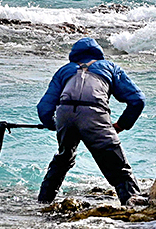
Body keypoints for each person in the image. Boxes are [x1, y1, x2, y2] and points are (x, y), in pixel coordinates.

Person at [36, 37, 145, 206]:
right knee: (117, 167)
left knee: (64, 158)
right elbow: (137, 100)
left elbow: (43, 108)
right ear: (98, 54)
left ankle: (43, 202)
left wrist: (56, 125)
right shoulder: (109, 67)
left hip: (65, 113)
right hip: (95, 113)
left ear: (74, 55)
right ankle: (133, 205)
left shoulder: (64, 70)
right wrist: (122, 124)